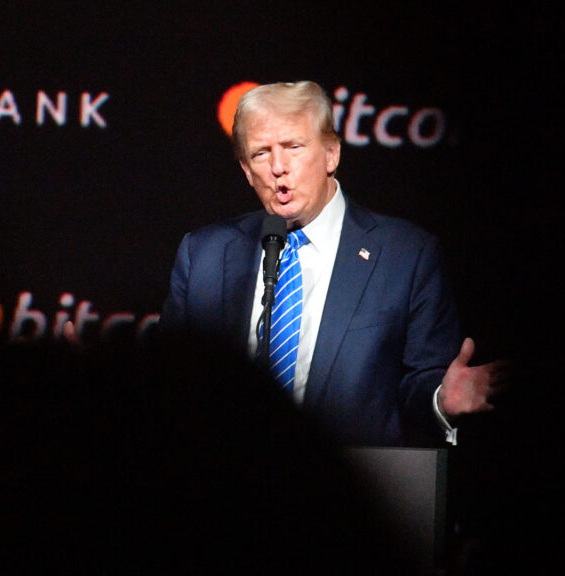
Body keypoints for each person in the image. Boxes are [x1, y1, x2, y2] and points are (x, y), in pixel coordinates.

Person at [160, 81, 505, 447]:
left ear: (331, 154)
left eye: (293, 147)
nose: (278, 167)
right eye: (261, 153)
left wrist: (441, 401)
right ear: (246, 170)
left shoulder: (406, 255)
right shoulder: (205, 255)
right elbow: (169, 383)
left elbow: (420, 384)